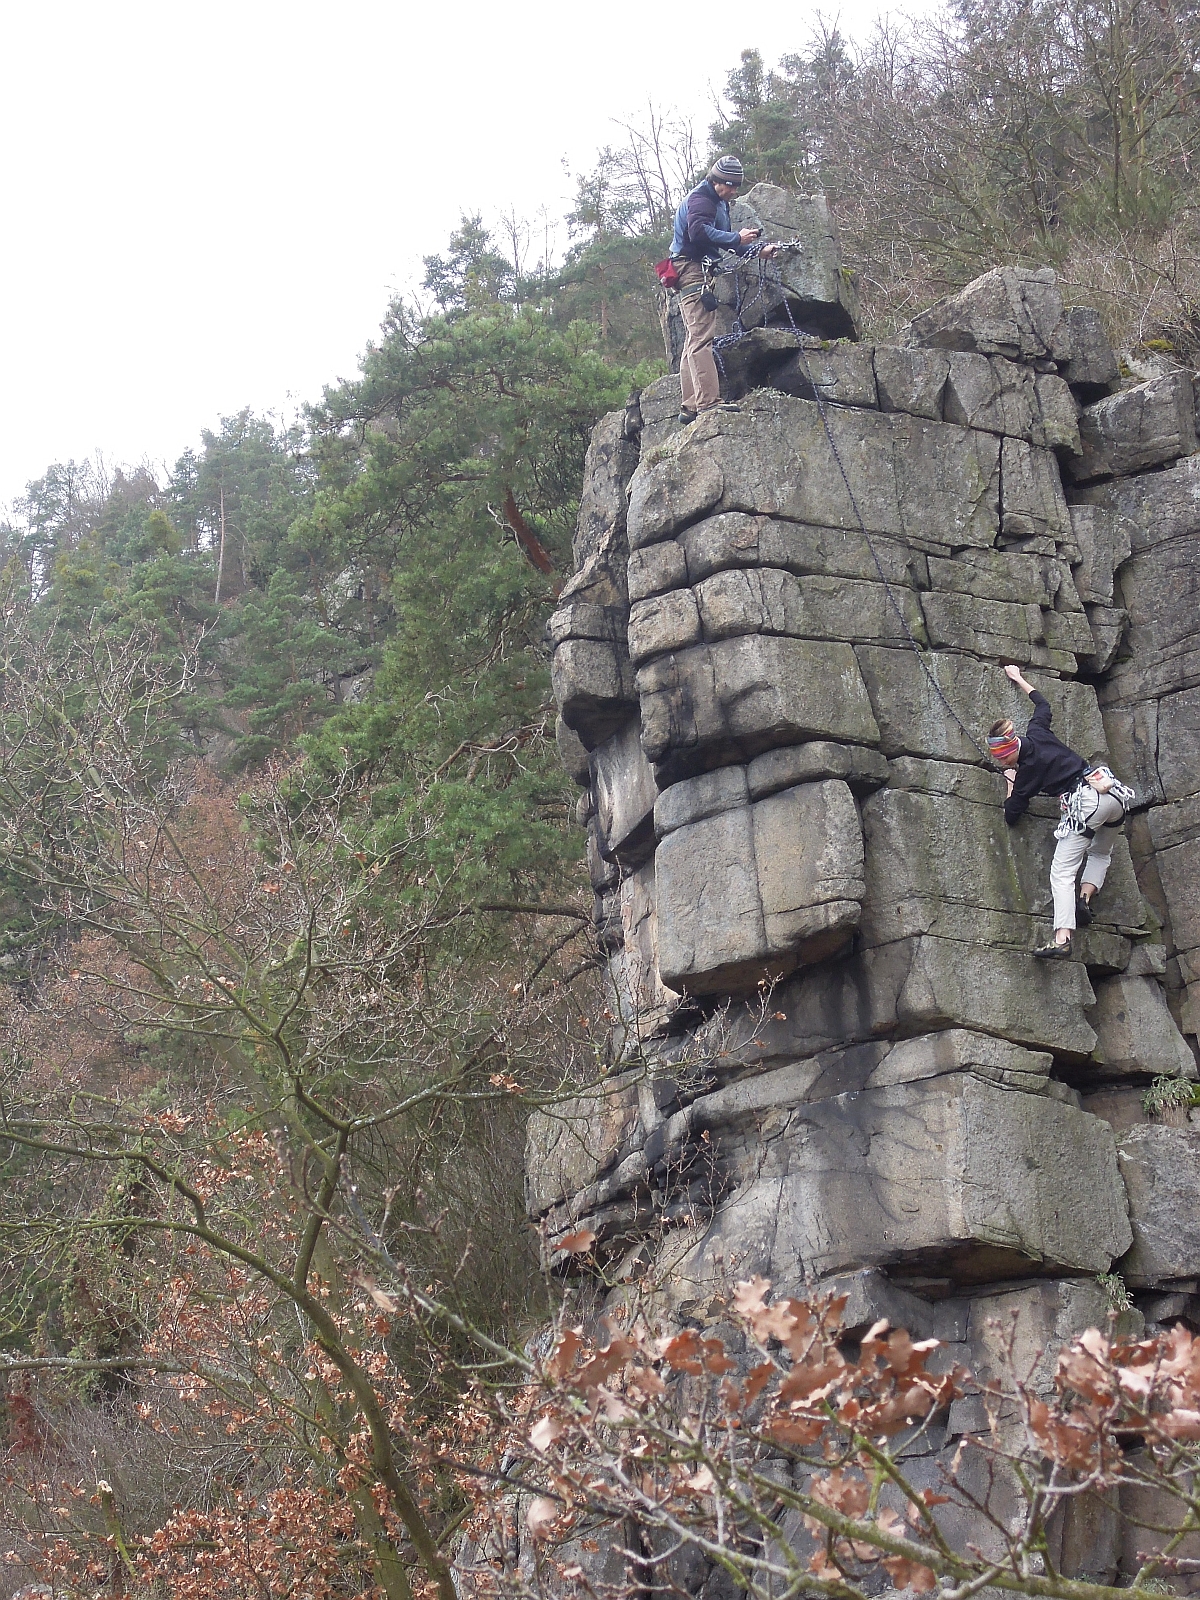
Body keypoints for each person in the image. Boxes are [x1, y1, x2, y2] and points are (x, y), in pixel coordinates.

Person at [990, 663, 1130, 959]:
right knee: (1101, 853)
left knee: (1062, 871)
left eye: (1002, 760)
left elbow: (1012, 814)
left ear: (1010, 753)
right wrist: (1019, 679)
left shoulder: (1026, 772)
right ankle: (1085, 897)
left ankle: (1062, 938)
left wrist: (1011, 783)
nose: (1003, 764)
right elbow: (1043, 704)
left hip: (1087, 804)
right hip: (1112, 793)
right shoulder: (1037, 731)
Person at [669, 156, 778, 426]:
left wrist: (758, 250)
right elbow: (698, 233)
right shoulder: (701, 200)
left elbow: (727, 242)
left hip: (693, 268)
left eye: (736, 186)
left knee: (694, 338)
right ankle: (708, 403)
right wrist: (735, 237)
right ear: (716, 181)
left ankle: (690, 405)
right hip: (690, 269)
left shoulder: (719, 203)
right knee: (702, 338)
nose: (734, 191)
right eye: (730, 186)